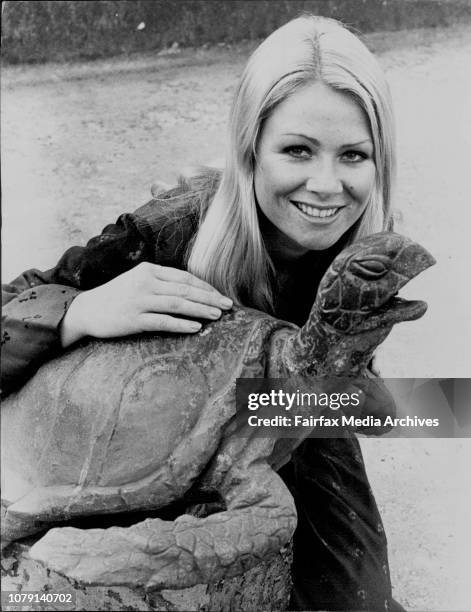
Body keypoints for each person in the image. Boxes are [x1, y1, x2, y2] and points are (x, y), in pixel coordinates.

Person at [2, 15, 406, 612]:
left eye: (354, 155)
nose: (327, 184)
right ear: (250, 150)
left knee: (357, 595)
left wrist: (410, 402)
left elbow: (355, 406)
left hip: (278, 420)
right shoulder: (168, 231)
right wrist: (79, 310)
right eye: (297, 150)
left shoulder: (359, 247)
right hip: (146, 437)